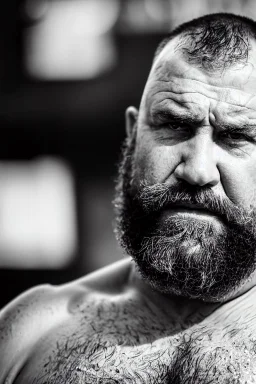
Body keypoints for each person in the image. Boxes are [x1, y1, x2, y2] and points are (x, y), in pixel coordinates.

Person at [2, 12, 256, 383]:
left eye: (235, 137)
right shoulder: (28, 331)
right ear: (133, 136)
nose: (198, 170)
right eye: (174, 124)